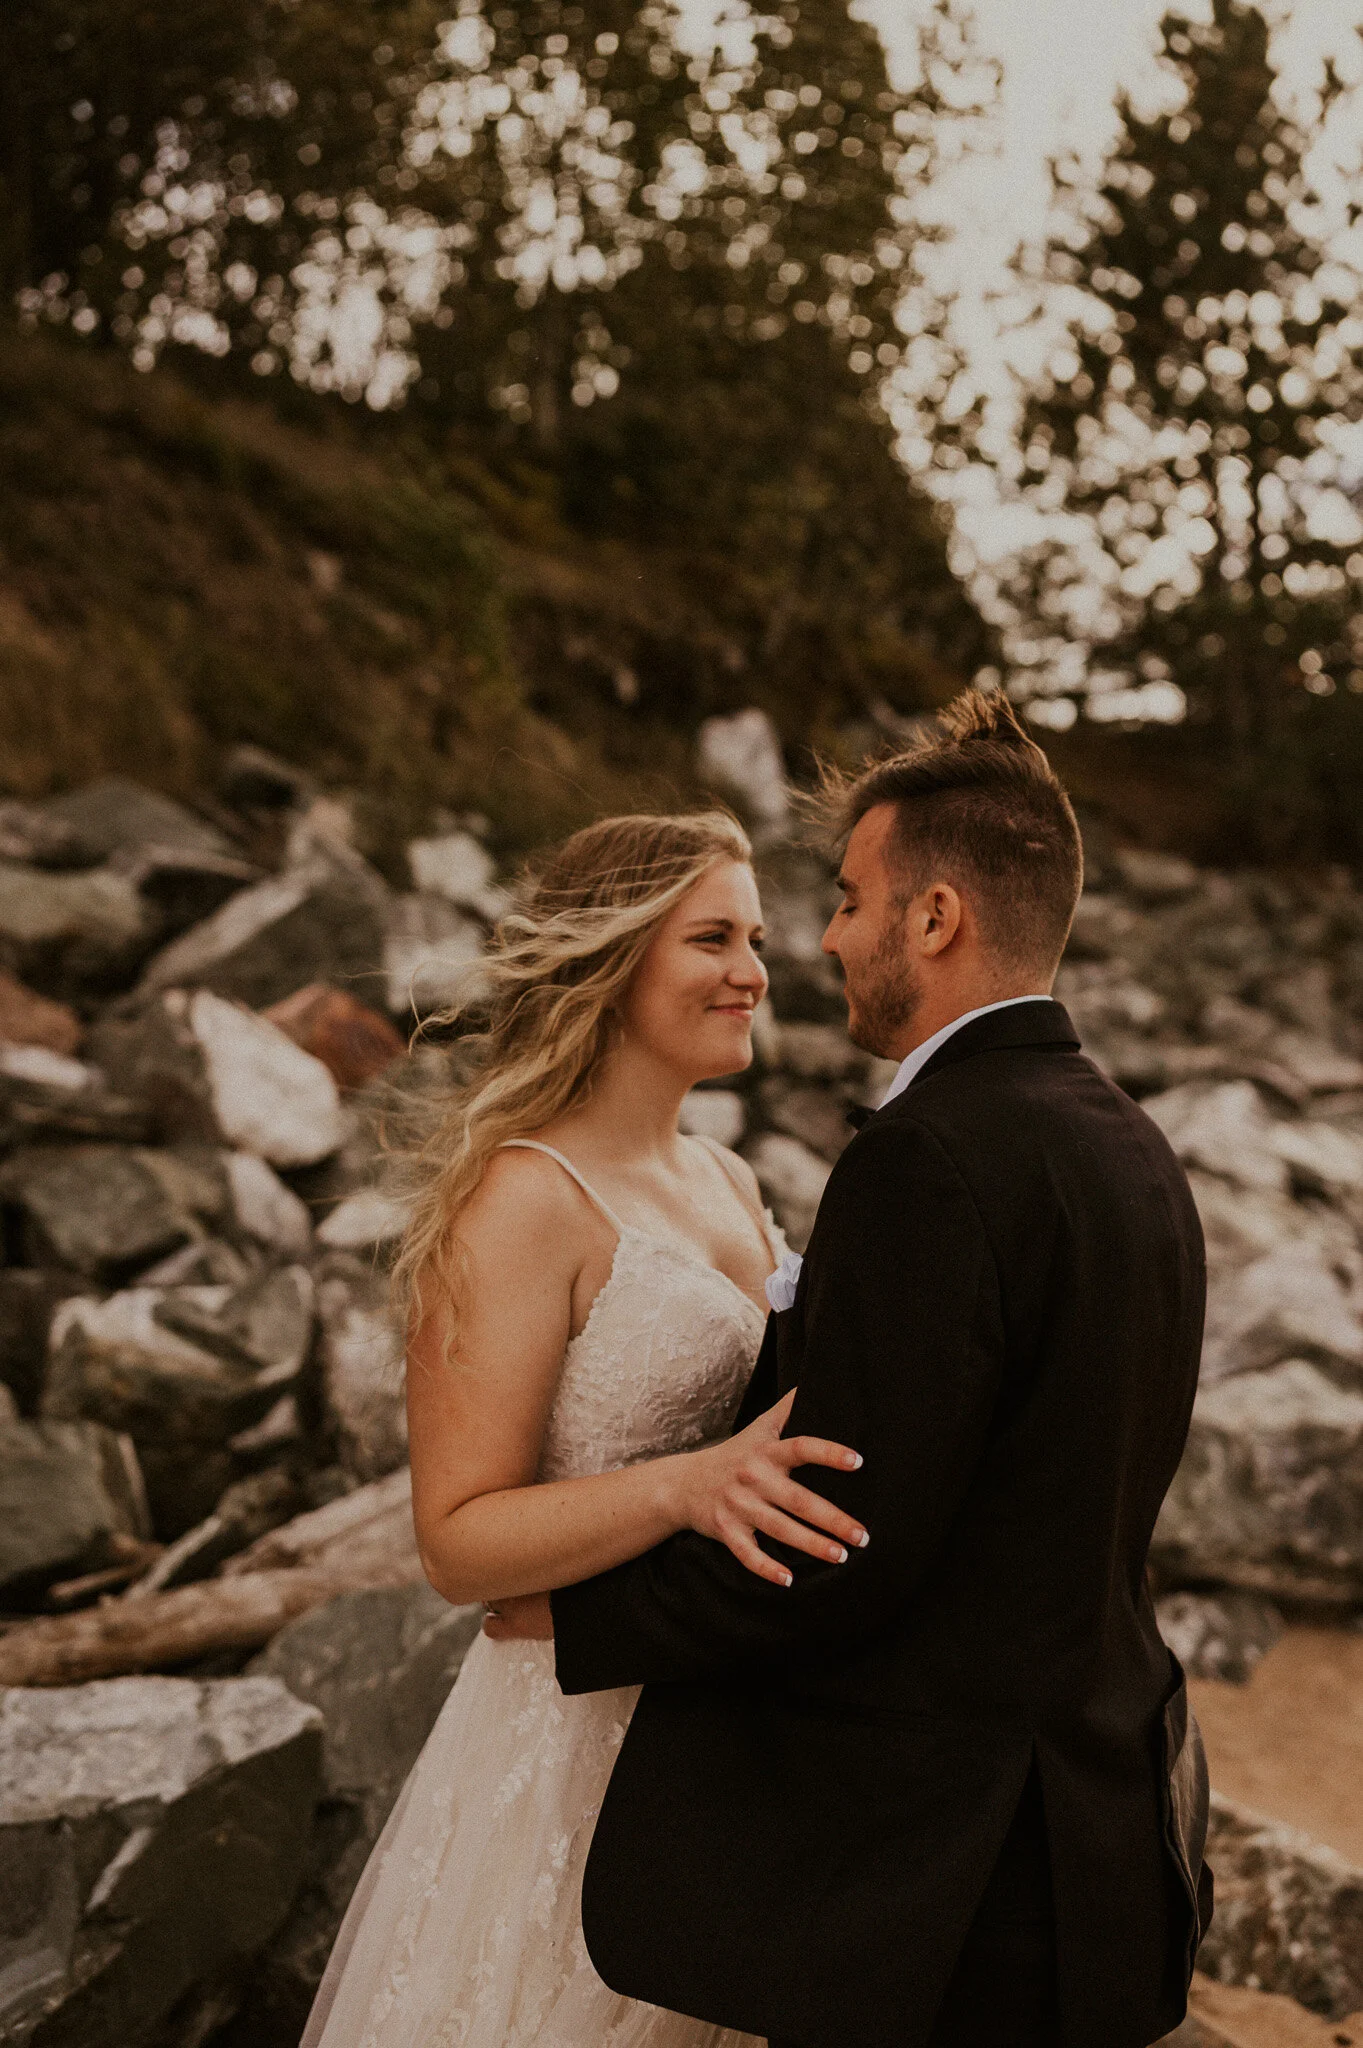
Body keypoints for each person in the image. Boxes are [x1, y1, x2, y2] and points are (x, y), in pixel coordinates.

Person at [493, 690, 1213, 2048]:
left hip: (945, 1871)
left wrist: (578, 1620)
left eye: (843, 899)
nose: (820, 940)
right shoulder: (1128, 1147)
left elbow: (847, 1537)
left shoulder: (927, 1157)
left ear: (931, 918)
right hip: (1089, 1824)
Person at [300, 809, 867, 2048]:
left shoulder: (723, 1176)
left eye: (758, 936)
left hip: (711, 1721)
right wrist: (686, 1486)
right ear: (613, 961)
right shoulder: (520, 1196)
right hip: (561, 1738)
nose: (757, 971)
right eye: (712, 936)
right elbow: (456, 1543)